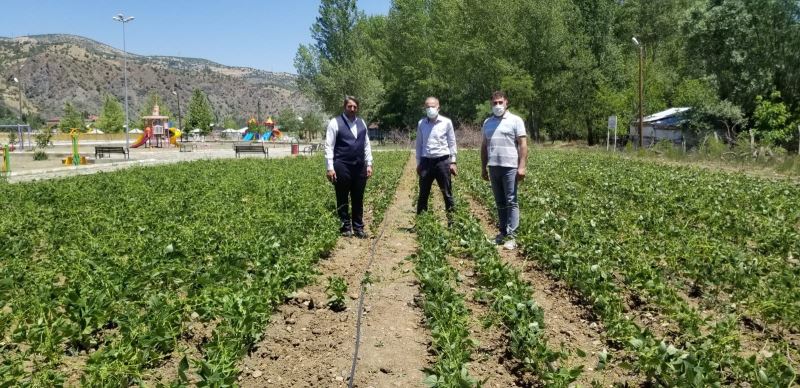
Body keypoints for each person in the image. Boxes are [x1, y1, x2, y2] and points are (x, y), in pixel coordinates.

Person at [481, 91, 528, 250]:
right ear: (491, 104)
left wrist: (521, 166)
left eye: (500, 102)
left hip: (510, 167)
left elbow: (522, 144)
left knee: (511, 201)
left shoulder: (516, 120)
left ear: (506, 102)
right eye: (495, 103)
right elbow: (484, 146)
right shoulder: (487, 122)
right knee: (499, 201)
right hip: (494, 166)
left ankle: (513, 236)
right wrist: (483, 167)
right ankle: (502, 232)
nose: (498, 105)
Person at [325, 96, 373, 238]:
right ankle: (345, 227)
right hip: (342, 165)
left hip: (359, 166)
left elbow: (366, 145)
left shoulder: (362, 123)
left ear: (357, 108)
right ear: (344, 107)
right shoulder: (335, 123)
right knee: (342, 196)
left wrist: (369, 163)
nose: (352, 109)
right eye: (349, 106)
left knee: (358, 197)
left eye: (355, 107)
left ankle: (358, 227)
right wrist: (330, 167)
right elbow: (329, 146)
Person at [415, 96, 457, 216]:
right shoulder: (421, 123)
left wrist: (453, 162)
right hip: (426, 162)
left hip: (442, 162)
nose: (430, 109)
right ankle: (422, 223)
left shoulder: (446, 122)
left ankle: (452, 223)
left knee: (447, 193)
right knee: (423, 194)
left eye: (432, 106)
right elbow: (418, 144)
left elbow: (452, 142)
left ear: (438, 107)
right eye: (427, 107)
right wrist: (418, 163)